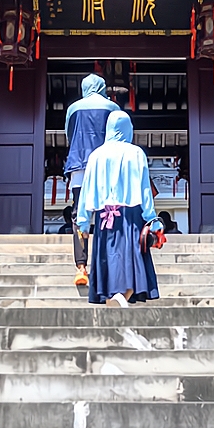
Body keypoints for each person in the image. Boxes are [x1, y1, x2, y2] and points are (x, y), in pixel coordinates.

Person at [74, 110, 162, 305]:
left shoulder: (96, 155)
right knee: (133, 260)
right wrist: (152, 220)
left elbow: (86, 189)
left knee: (109, 258)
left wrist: (83, 221)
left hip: (104, 216)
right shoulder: (136, 153)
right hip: (130, 215)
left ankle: (113, 298)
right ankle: (122, 297)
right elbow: (144, 189)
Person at [62, 72, 118, 286]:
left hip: (79, 166)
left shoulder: (73, 108)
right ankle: (106, 264)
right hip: (105, 166)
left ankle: (81, 268)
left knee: (79, 216)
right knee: (108, 214)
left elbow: (69, 135)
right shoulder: (112, 108)